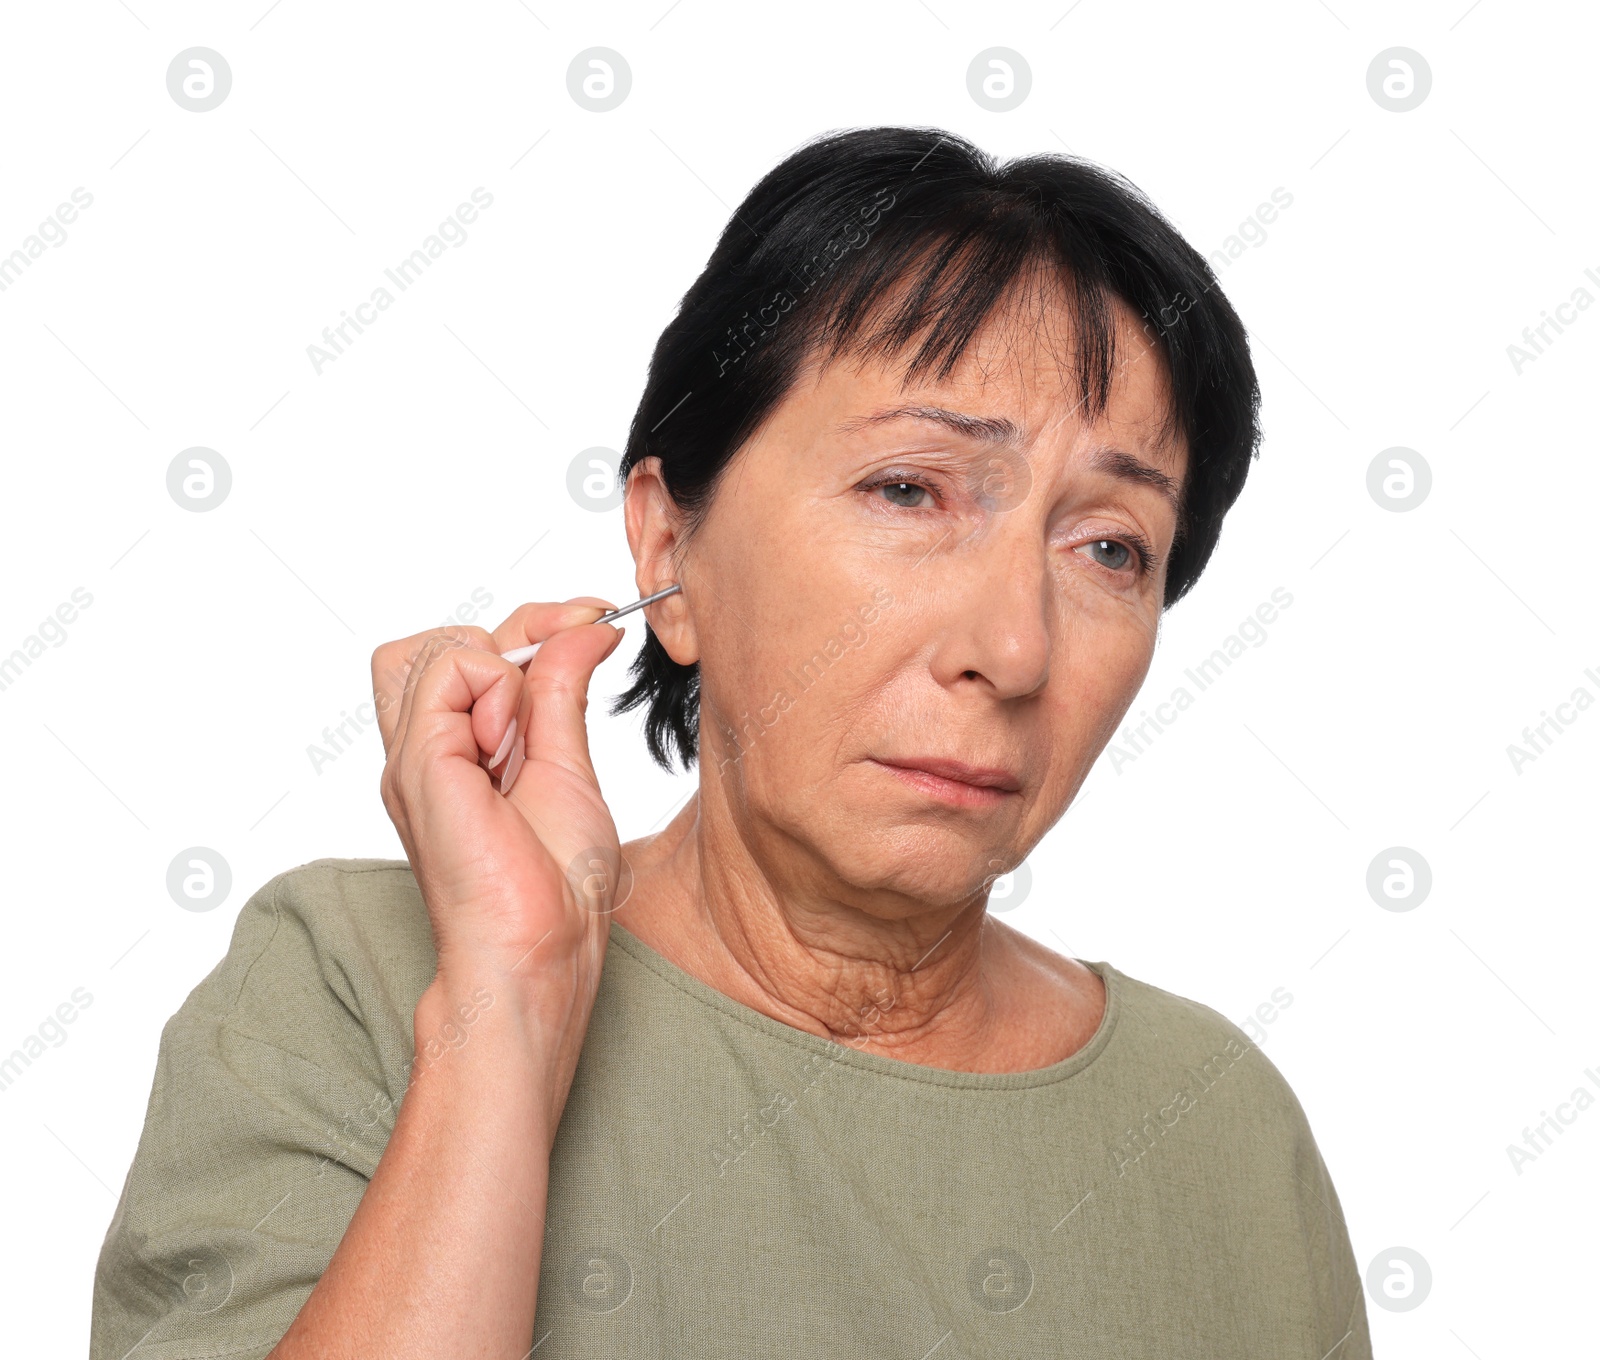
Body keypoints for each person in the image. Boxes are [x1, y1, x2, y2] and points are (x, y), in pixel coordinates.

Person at [91, 126, 1370, 1358]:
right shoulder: (354, 985)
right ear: (669, 550)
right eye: (910, 489)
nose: (1014, 650)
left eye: (1108, 547)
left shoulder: (1218, 1128)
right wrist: (510, 1003)